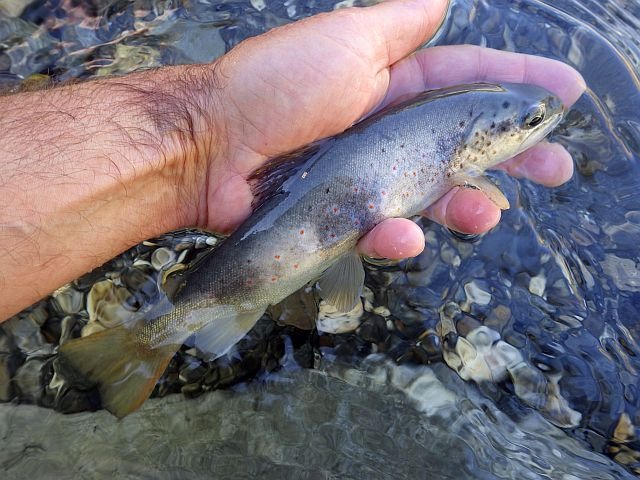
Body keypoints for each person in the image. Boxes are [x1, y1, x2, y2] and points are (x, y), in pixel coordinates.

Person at [0, 0, 585, 322]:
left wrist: (208, 131)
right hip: (298, 226)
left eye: (530, 124)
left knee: (354, 253)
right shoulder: (462, 152)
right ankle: (160, 335)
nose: (538, 126)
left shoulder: (458, 138)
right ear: (478, 149)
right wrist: (207, 129)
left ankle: (165, 331)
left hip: (311, 215)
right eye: (530, 126)